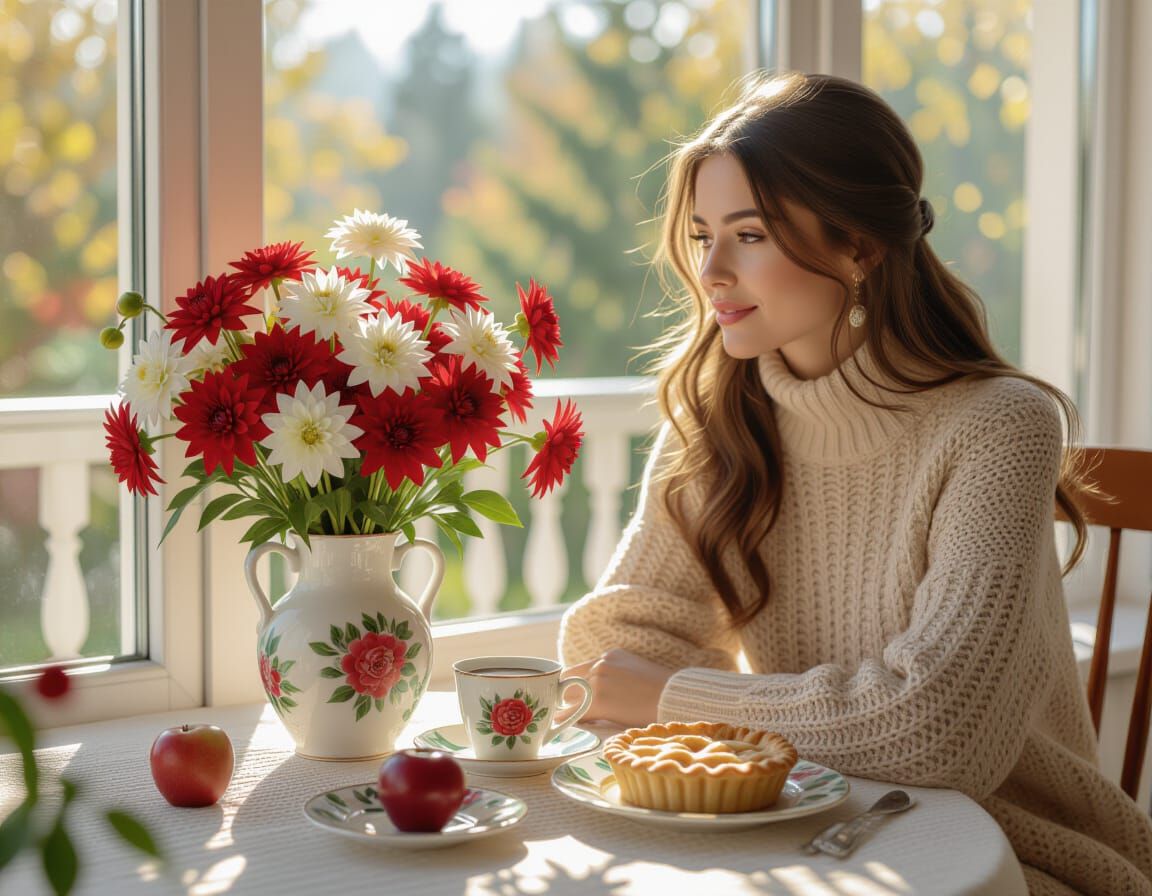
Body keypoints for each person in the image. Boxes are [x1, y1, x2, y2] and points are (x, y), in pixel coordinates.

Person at [557, 72, 1152, 895]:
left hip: (1012, 852)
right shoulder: (718, 415)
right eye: (701, 236)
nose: (713, 271)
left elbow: (939, 731)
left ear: (861, 247)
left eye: (750, 235)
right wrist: (780, 722)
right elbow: (611, 647)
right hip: (802, 823)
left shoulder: (998, 425)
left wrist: (678, 698)